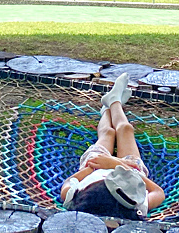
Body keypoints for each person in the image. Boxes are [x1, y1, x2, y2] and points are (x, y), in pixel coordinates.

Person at [61, 73, 166, 220]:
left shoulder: (74, 197)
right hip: (132, 171)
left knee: (108, 133)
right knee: (125, 129)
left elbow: (67, 183)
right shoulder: (136, 203)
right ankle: (114, 102)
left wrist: (91, 168)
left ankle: (108, 107)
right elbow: (158, 192)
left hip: (95, 164)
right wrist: (120, 165)